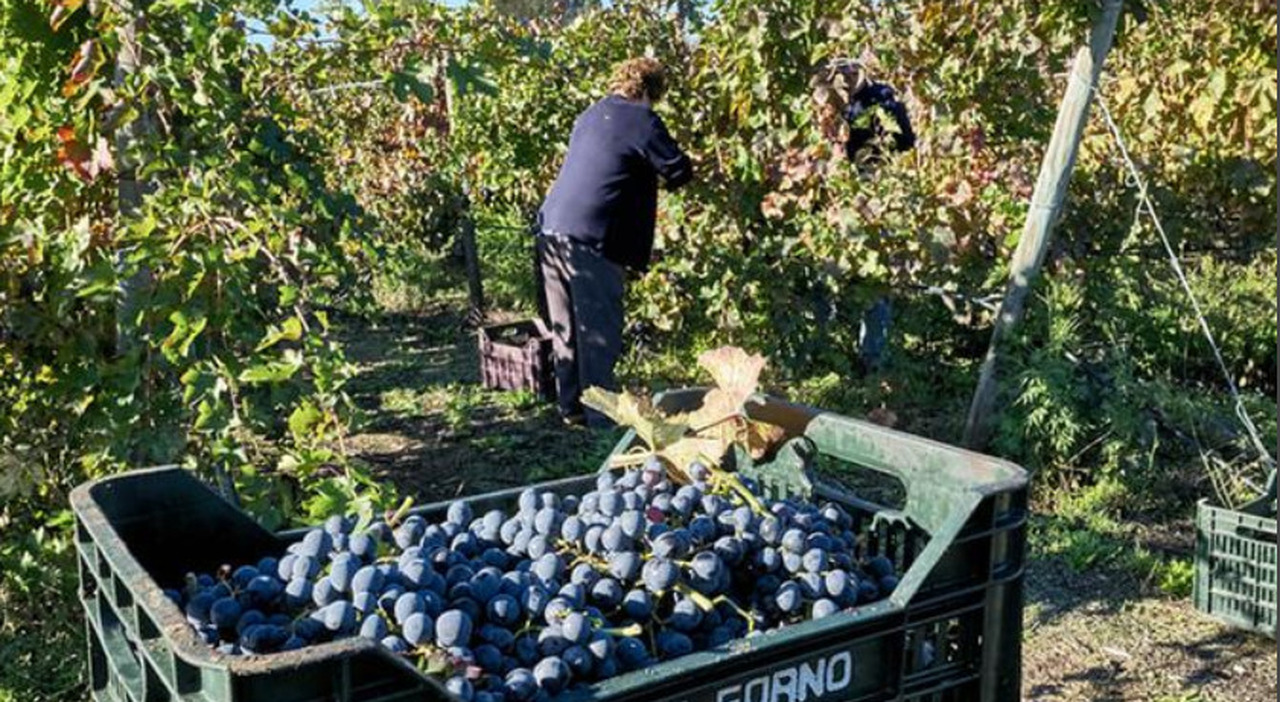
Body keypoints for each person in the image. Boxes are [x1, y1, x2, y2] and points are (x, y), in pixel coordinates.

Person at [535, 57, 693, 427]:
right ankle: (601, 426)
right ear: (653, 92)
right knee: (599, 336)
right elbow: (678, 169)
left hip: (551, 230)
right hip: (590, 239)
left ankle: (570, 408)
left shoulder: (590, 115)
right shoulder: (643, 120)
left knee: (566, 329)